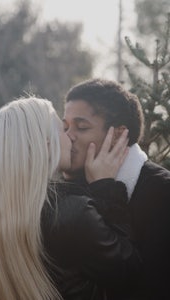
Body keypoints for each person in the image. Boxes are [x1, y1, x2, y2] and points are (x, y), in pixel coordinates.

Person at [0, 96, 141, 300]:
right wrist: (105, 188)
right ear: (47, 142)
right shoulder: (72, 214)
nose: (70, 137)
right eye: (63, 129)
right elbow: (130, 273)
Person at [63, 78, 170, 300]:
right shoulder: (70, 188)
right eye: (65, 127)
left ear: (119, 135)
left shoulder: (162, 192)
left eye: (81, 127)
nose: (68, 136)